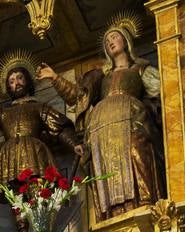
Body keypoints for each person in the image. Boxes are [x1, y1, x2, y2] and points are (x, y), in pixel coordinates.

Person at [37, 18, 164, 221]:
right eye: (107, 41)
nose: (110, 42)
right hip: (102, 129)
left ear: (126, 41)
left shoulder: (141, 69)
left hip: (131, 120)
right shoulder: (100, 77)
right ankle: (110, 215)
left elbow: (162, 99)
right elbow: (79, 96)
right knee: (104, 168)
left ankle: (144, 203)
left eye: (114, 37)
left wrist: (140, 111)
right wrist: (55, 78)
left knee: (136, 151)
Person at [0, 56, 81, 232]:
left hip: (34, 152)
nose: (17, 83)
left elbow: (59, 126)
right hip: (11, 155)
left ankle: (41, 231)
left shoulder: (38, 107)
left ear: (28, 81)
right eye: (12, 81)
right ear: (8, 88)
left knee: (37, 191)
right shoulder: (4, 113)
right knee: (16, 197)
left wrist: (74, 144)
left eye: (20, 78)